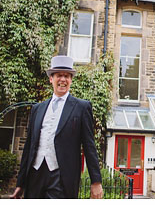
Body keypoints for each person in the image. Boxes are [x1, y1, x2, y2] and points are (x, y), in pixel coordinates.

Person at [12, 55, 102, 199]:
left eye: (67, 76)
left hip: (62, 177)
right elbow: (28, 147)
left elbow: (89, 146)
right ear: (51, 79)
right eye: (59, 75)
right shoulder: (37, 109)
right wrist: (20, 183)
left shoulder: (81, 107)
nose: (63, 79)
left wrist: (96, 181)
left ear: (71, 80)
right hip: (35, 175)